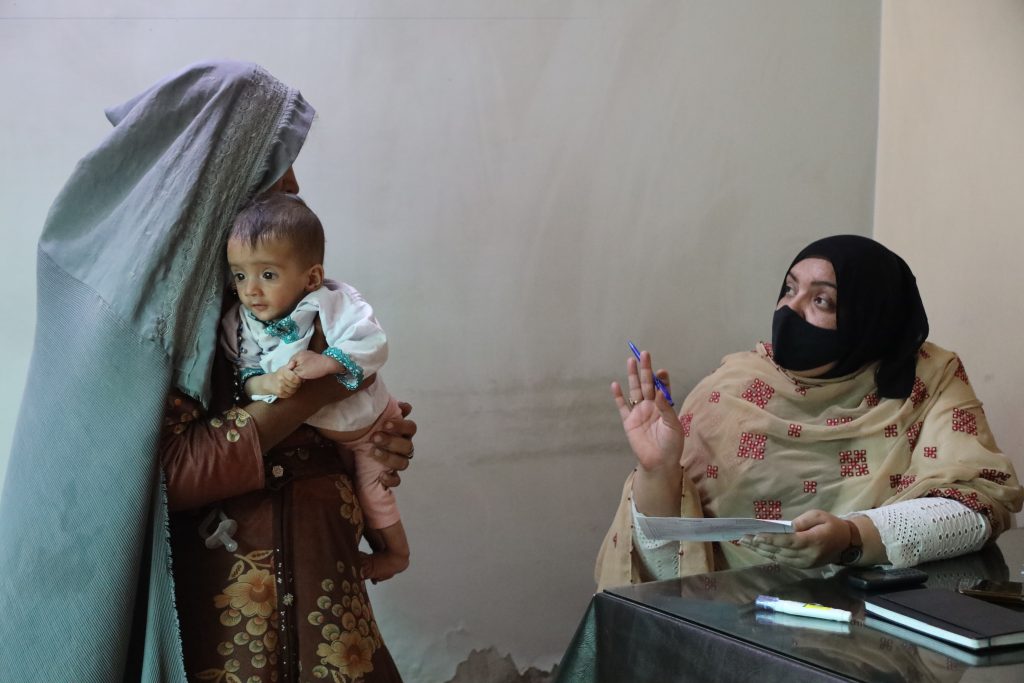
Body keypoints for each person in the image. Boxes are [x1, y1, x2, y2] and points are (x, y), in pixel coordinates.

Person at [0, 61, 416, 683]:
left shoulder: (276, 284)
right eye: (279, 163)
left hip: (325, 589)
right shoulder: (148, 314)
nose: (297, 183)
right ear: (221, 170)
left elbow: (351, 397)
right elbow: (164, 471)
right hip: (223, 624)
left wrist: (378, 437)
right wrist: (314, 393)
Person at [596, 235, 1022, 589]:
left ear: (870, 316)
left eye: (822, 301)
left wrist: (852, 536)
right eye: (789, 288)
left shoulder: (927, 380)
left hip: (878, 637)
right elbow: (668, 577)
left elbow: (980, 506)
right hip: (731, 636)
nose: (790, 308)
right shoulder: (729, 393)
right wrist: (658, 471)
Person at [224, 192, 409, 582]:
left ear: (310, 277)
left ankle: (395, 555)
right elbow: (244, 374)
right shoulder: (242, 322)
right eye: (240, 275)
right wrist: (267, 382)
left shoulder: (334, 304)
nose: (251, 289)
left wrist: (326, 362)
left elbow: (373, 344)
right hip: (329, 438)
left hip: (374, 425)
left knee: (375, 495)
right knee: (357, 498)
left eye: (267, 275)